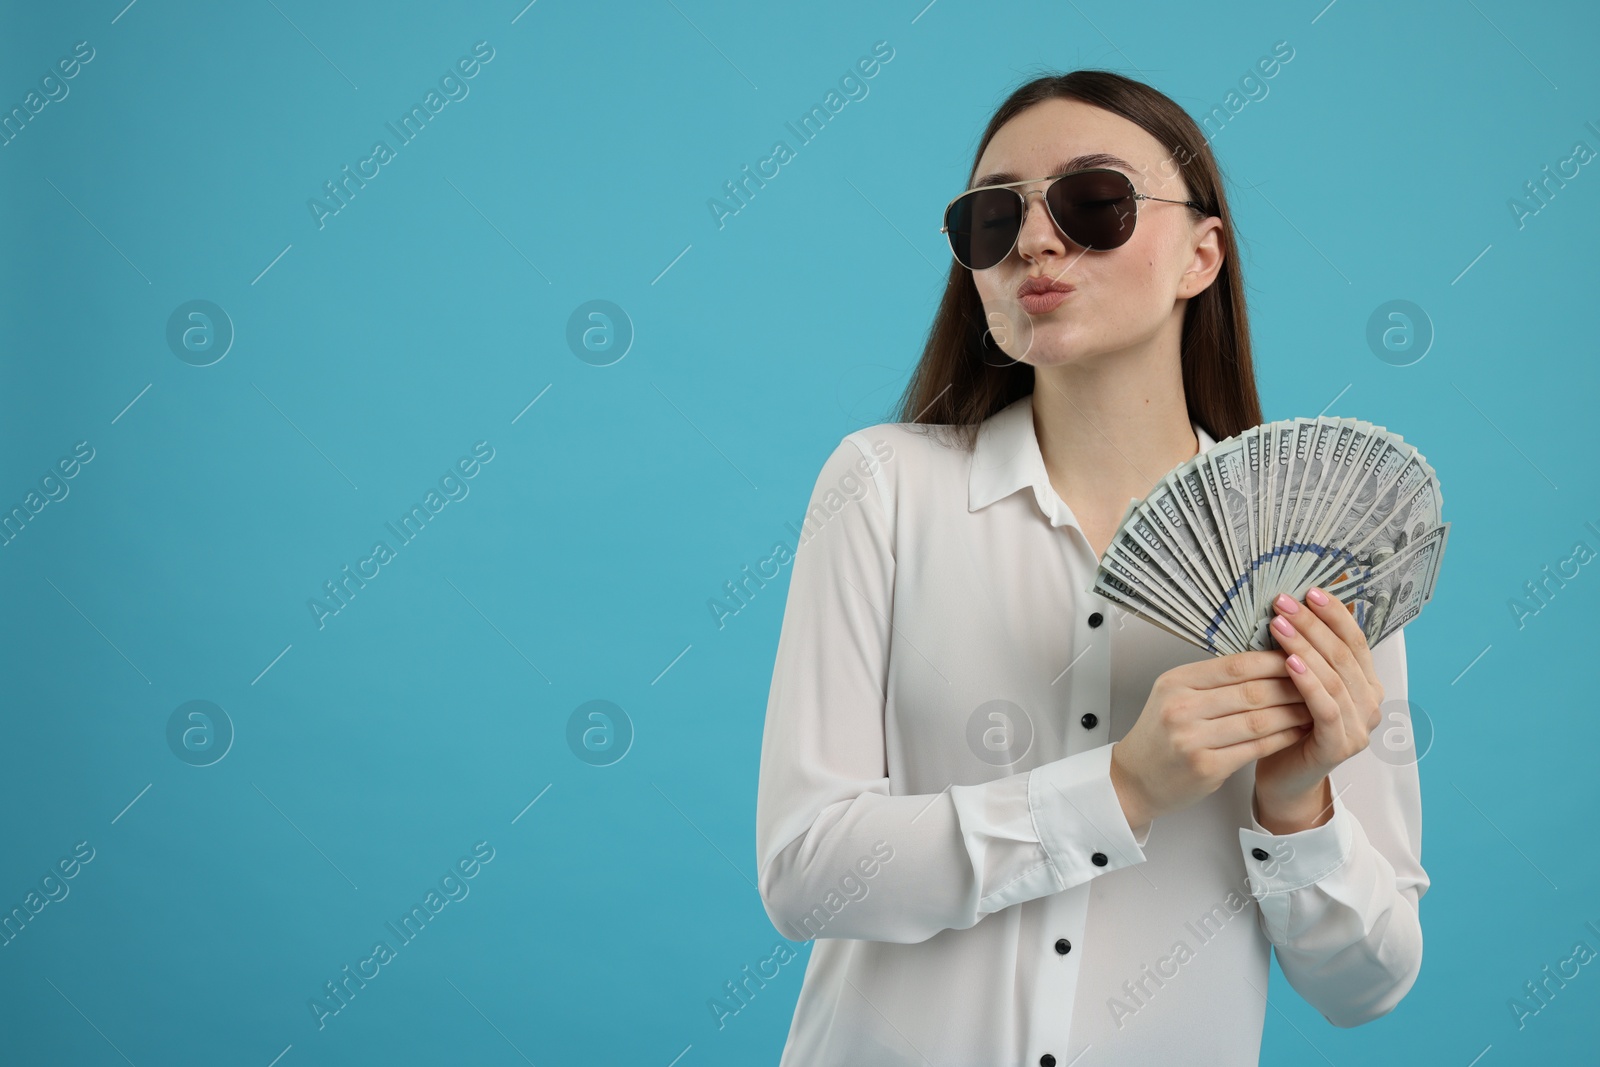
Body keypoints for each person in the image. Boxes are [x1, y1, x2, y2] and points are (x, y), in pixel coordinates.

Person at [754, 69, 1427, 1066]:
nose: (1032, 240)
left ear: (1203, 254)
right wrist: (1119, 783)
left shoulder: (1322, 553)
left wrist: (1297, 805)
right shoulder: (883, 489)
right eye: (992, 218)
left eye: (1094, 202)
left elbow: (1367, 983)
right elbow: (807, 872)